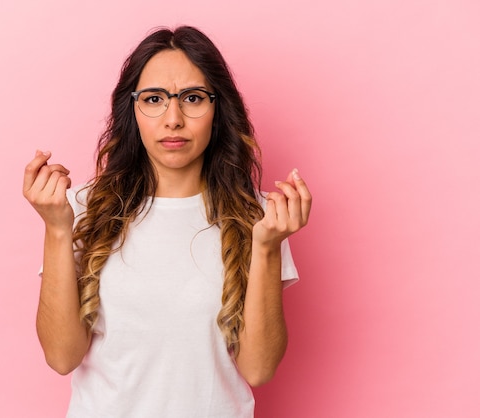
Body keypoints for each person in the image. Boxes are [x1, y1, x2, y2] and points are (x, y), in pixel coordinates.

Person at [22, 25, 312, 418]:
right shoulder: (81, 208)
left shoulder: (259, 218)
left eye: (192, 98)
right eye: (155, 99)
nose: (173, 118)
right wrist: (57, 228)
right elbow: (60, 356)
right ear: (133, 109)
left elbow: (258, 369)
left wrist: (267, 247)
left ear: (217, 109)